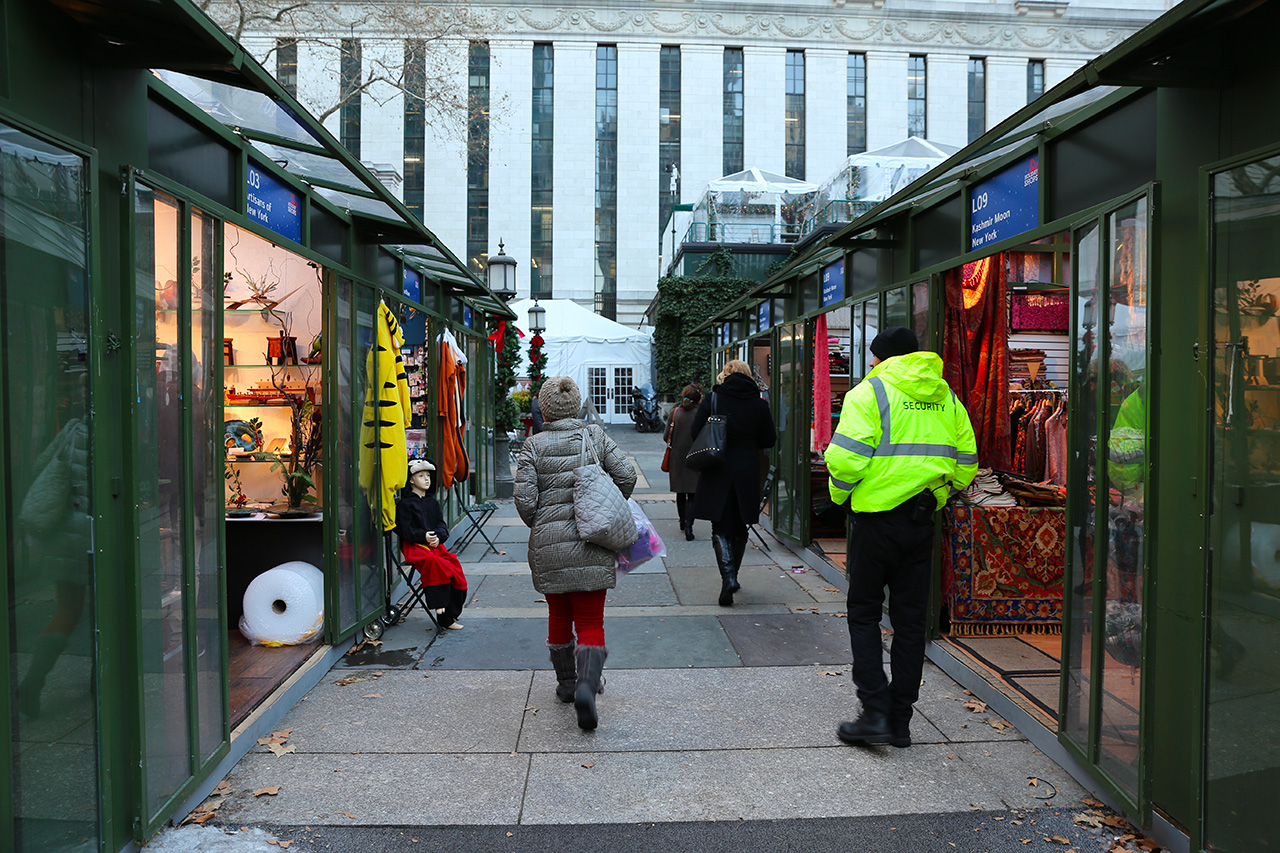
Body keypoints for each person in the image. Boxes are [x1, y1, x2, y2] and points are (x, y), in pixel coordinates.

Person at [825, 327, 977, 747]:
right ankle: (900, 720)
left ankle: (874, 711)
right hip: (922, 521)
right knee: (911, 624)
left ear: (882, 358)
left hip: (876, 522)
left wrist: (844, 497)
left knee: (864, 614)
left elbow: (845, 459)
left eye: (874, 358)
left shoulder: (869, 393)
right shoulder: (947, 398)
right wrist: (937, 495)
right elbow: (967, 462)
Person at [515, 376, 637, 730]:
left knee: (558, 614)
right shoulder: (595, 436)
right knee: (590, 621)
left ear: (545, 408)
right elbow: (626, 476)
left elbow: (525, 502)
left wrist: (543, 523)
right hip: (593, 541)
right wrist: (605, 504)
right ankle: (587, 684)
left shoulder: (532, 447)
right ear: (577, 405)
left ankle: (567, 684)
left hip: (549, 545)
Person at [690, 360, 776, 607]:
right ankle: (733, 576)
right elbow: (769, 438)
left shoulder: (713, 400)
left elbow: (696, 432)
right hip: (747, 469)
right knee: (741, 525)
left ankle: (728, 577)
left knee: (720, 526)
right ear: (748, 376)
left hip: (718, 468)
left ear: (725, 375)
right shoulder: (759, 404)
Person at [396, 458, 467, 630]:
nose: (426, 479)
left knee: (453, 565)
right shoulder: (405, 504)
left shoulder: (432, 502)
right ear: (411, 479)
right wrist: (423, 536)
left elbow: (441, 524)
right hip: (414, 547)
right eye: (421, 476)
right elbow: (404, 530)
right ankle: (439, 605)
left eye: (428, 475)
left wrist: (438, 537)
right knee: (435, 563)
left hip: (434, 546)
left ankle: (449, 615)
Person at [664, 384, 702, 540]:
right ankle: (689, 526)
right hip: (695, 457)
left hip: (677, 458)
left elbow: (666, 436)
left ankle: (681, 520)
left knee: (680, 492)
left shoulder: (675, 413)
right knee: (692, 494)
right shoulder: (700, 415)